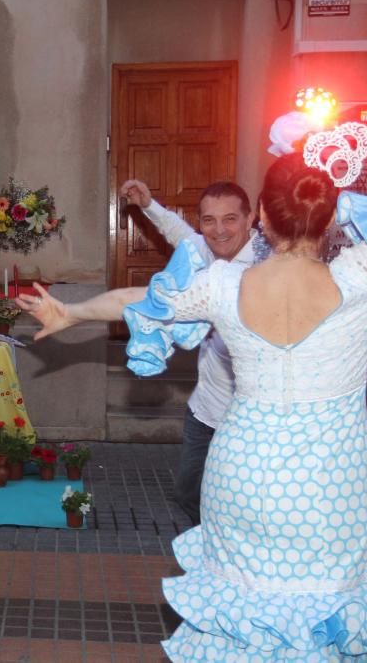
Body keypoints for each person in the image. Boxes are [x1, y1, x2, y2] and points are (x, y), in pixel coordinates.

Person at [17, 16, 367, 659]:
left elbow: (138, 299)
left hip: (242, 475)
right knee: (325, 627)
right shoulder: (365, 278)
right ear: (332, 215)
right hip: (329, 488)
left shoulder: (225, 286)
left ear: (261, 214)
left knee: (240, 628)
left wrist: (71, 314)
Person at [119, 179, 257, 524]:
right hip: (204, 412)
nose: (219, 230)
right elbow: (178, 234)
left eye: (230, 219)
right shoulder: (205, 250)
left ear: (250, 218)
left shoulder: (266, 268)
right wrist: (148, 204)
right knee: (189, 493)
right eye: (209, 220)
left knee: (239, 506)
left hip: (249, 421)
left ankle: (229, 561)